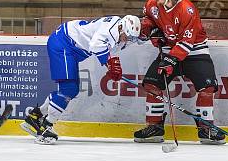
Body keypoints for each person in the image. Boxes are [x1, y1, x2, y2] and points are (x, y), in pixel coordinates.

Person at [134, 0, 225, 145]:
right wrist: (151, 31)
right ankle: (154, 127)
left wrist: (171, 60)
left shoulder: (187, 9)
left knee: (207, 87)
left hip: (195, 51)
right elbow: (149, 20)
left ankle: (206, 129)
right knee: (152, 83)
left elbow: (186, 41)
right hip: (168, 49)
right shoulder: (152, 4)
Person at [21, 15, 141, 145]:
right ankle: (45, 127)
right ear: (122, 28)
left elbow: (108, 51)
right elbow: (95, 45)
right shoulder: (109, 30)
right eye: (127, 36)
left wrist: (112, 67)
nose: (127, 40)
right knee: (69, 89)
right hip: (63, 44)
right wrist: (110, 64)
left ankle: (34, 117)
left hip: (70, 46)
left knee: (71, 90)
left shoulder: (119, 30)